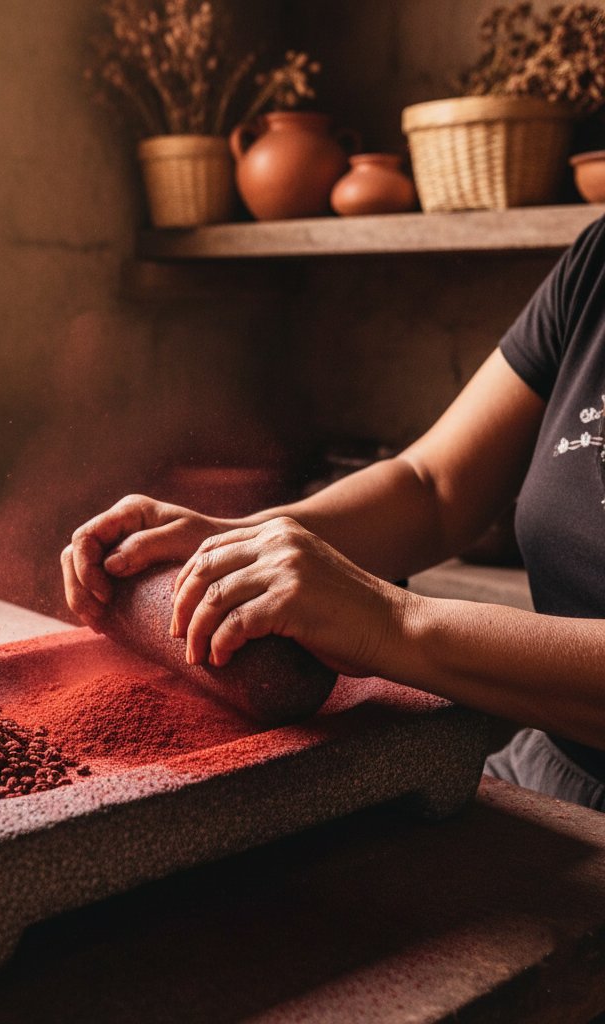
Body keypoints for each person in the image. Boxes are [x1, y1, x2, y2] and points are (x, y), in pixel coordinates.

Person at [62, 215, 605, 811]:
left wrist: (389, 622)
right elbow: (433, 487)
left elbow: (399, 595)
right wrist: (242, 538)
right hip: (550, 764)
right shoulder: (594, 265)